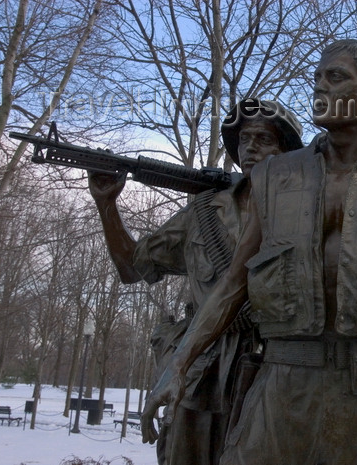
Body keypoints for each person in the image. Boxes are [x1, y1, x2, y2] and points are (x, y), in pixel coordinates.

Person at [140, 39, 357, 465]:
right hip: (282, 386)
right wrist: (179, 365)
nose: (320, 88)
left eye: (336, 77)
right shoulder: (275, 178)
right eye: (316, 77)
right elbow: (234, 283)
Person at [88, 98, 303, 465]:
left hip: (273, 372)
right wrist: (106, 204)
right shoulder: (203, 212)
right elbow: (130, 268)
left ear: (287, 151)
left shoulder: (306, 213)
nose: (251, 146)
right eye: (245, 138)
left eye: (265, 139)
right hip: (199, 376)